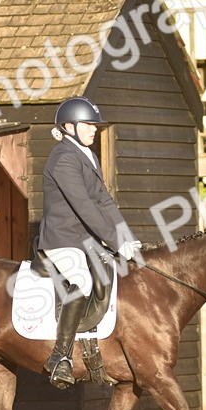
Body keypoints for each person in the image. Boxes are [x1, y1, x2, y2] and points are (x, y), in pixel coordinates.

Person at [37, 96, 140, 388]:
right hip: (62, 239)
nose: (94, 129)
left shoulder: (88, 155)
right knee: (81, 281)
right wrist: (114, 241)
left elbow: (104, 202)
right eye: (88, 124)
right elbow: (85, 207)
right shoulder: (63, 157)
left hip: (86, 241)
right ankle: (60, 358)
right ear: (68, 126)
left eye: (95, 125)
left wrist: (128, 240)